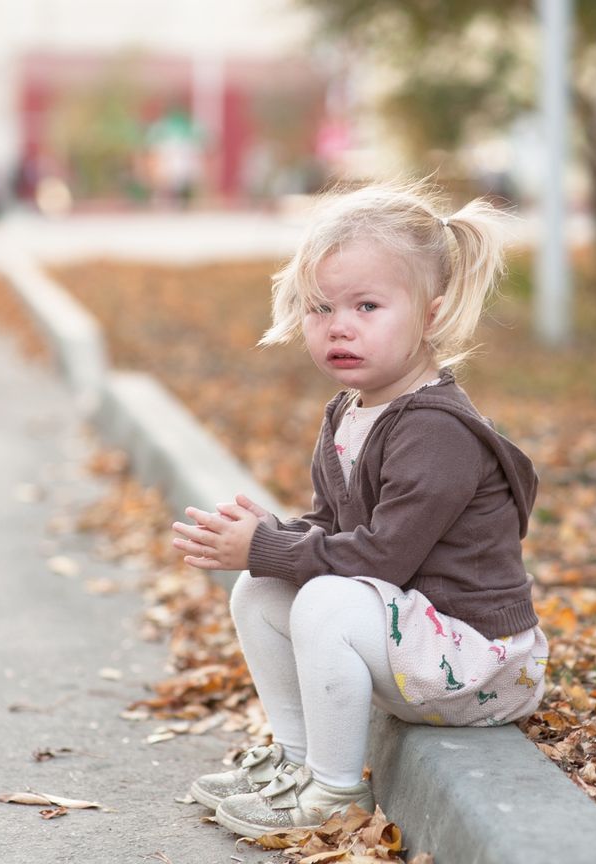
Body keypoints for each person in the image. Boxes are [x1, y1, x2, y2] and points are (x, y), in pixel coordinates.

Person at [171, 181, 547, 839]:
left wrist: (267, 545)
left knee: (322, 599)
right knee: (259, 591)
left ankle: (334, 796)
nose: (339, 325)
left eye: (367, 305)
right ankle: (293, 765)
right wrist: (270, 539)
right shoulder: (352, 410)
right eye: (320, 308)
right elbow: (335, 529)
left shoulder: (435, 430)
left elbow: (380, 557)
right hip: (416, 638)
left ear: (430, 315)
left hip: (481, 661)